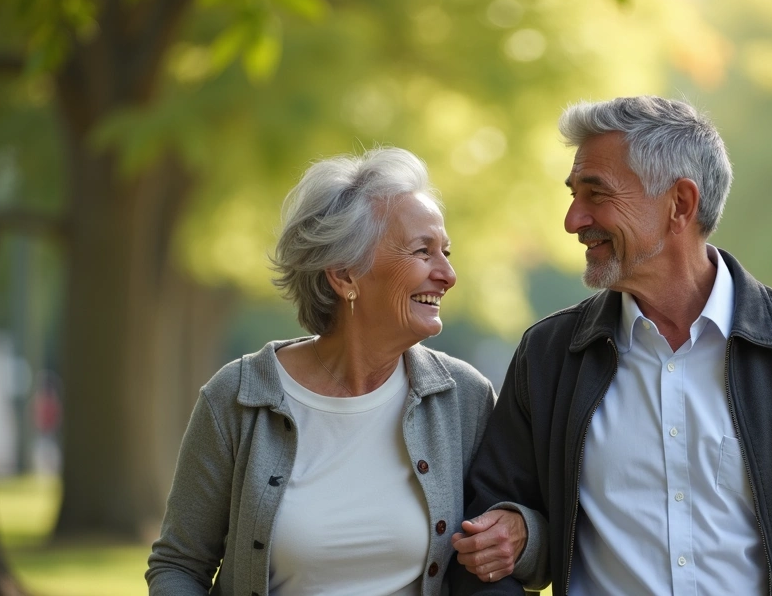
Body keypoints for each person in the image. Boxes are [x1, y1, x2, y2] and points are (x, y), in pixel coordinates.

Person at [450, 97, 772, 594]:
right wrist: (516, 530)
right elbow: (484, 542)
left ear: (680, 204)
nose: (573, 219)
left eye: (596, 194)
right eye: (573, 195)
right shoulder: (548, 356)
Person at [147, 147, 541, 595]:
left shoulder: (463, 396)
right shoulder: (239, 398)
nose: (448, 274)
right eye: (423, 251)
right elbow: (178, 565)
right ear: (345, 275)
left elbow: (538, 546)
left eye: (446, 252)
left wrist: (522, 532)